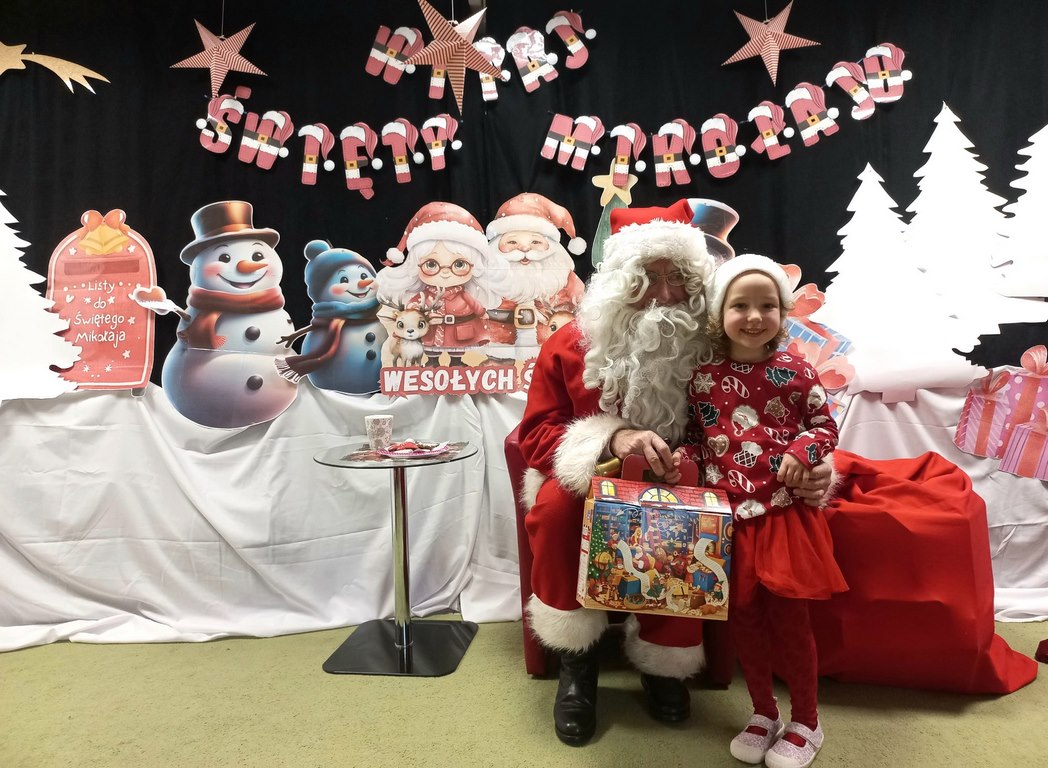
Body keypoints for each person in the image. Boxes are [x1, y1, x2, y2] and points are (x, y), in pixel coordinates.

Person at [517, 201, 833, 747]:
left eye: (678, 278)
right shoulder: (569, 344)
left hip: (696, 476)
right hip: (589, 479)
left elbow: (778, 419)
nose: (664, 294)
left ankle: (665, 660)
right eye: (647, 279)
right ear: (620, 283)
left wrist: (813, 464)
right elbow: (535, 435)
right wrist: (611, 438)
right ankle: (577, 662)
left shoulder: (720, 346)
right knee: (558, 510)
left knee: (690, 515)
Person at [678, 254, 848, 768]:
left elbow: (824, 426)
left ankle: (807, 721)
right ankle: (763, 712)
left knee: (790, 622)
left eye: (767, 305)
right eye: (740, 306)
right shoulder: (702, 377)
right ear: (719, 313)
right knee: (744, 621)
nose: (754, 316)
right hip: (727, 520)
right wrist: (680, 462)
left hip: (782, 516)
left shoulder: (796, 370)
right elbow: (697, 438)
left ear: (783, 310)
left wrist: (803, 451)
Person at [377, 201, 515, 366]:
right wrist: (412, 310)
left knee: (457, 350)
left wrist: (482, 312)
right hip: (431, 330)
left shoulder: (464, 295)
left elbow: (475, 305)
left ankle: (456, 362)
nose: (445, 272)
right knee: (431, 349)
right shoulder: (425, 295)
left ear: (474, 266)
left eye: (459, 264)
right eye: (431, 265)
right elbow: (413, 304)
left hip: (459, 329)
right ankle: (432, 362)